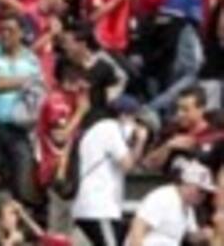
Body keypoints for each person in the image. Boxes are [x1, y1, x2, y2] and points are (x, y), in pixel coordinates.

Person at [0, 14, 43, 207]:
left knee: (23, 181)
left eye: (10, 30)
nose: (5, 35)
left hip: (20, 129)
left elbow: (39, 91)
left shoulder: (31, 60)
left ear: (21, 33)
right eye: (2, 30)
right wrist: (26, 81)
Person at [71, 96, 150, 246]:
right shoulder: (109, 129)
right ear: (124, 116)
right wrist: (140, 141)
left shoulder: (98, 130)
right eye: (134, 119)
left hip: (95, 208)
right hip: (98, 209)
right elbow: (127, 165)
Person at [126, 160, 215, 246]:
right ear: (187, 184)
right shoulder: (164, 197)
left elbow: (191, 237)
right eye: (201, 190)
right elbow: (138, 228)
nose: (203, 196)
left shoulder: (187, 207)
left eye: (206, 192)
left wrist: (204, 235)